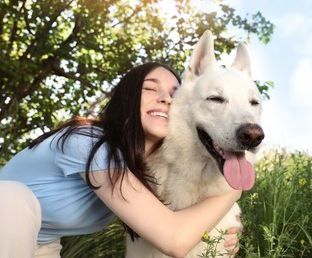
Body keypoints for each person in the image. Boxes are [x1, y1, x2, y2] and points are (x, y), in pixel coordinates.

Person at [0, 62, 242, 258]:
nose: (166, 98)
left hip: (41, 245)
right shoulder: (90, 143)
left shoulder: (141, 168)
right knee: (12, 196)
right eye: (150, 88)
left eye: (174, 93)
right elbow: (174, 239)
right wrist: (234, 186)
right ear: (127, 97)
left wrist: (220, 232)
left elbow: (180, 217)